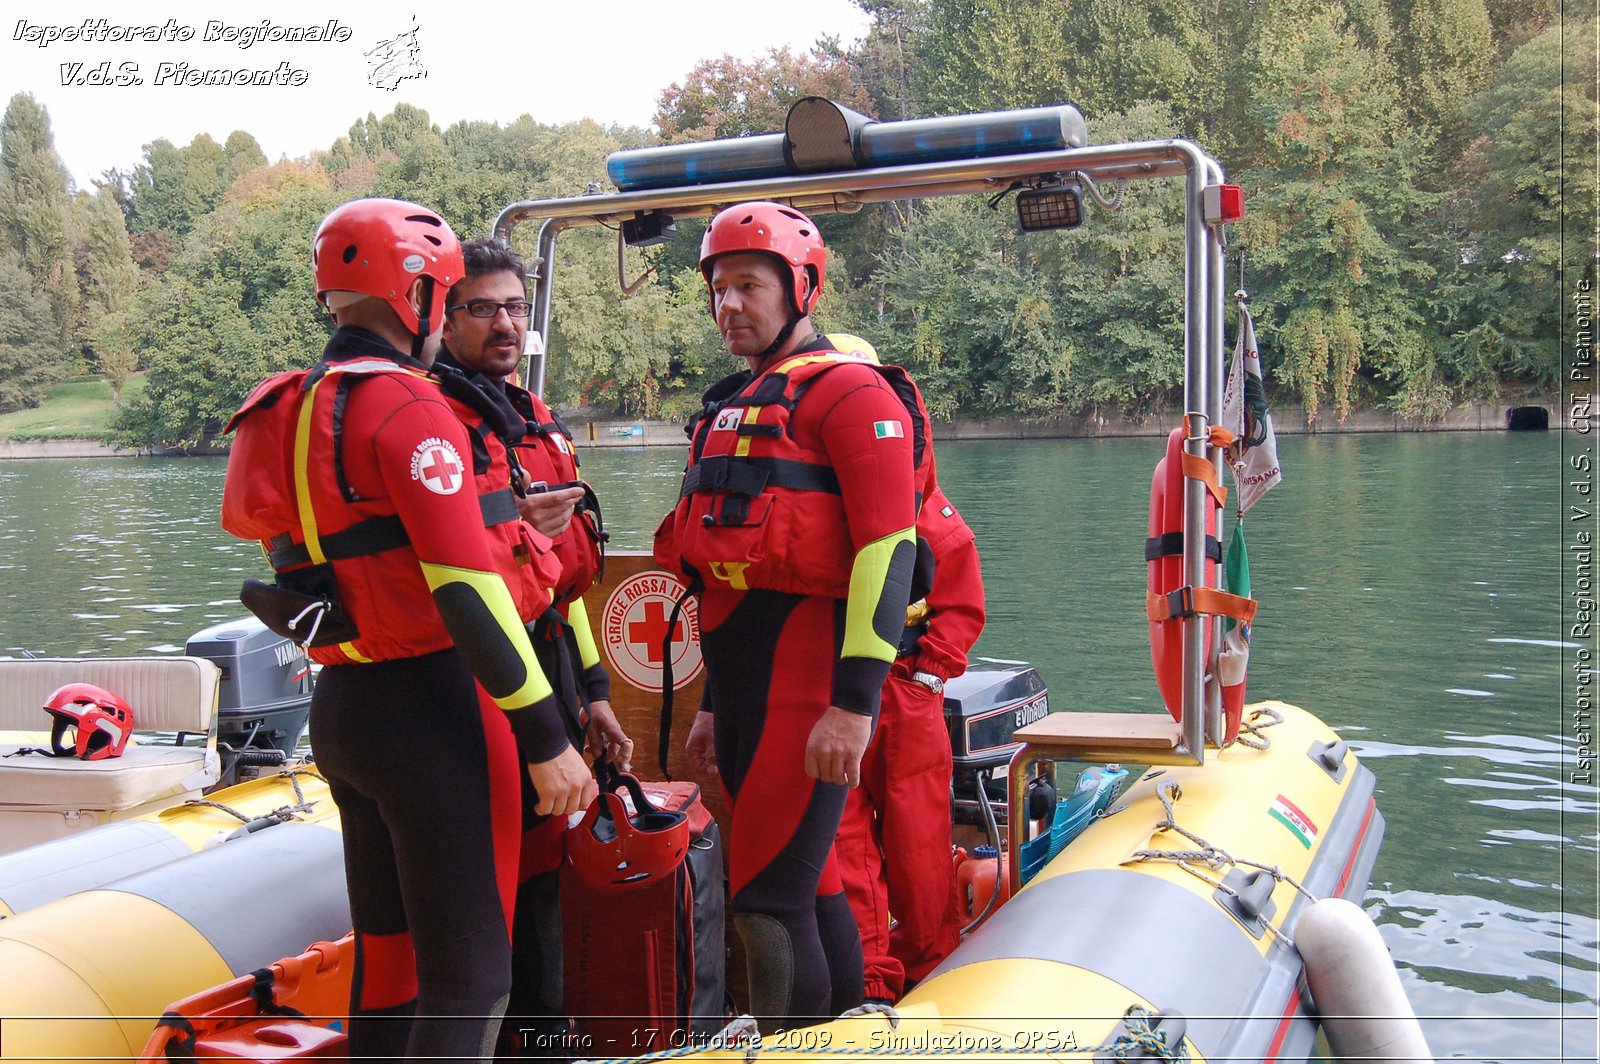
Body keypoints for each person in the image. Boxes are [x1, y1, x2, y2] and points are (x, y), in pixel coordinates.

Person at [221, 197, 595, 1061]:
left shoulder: (285, 407)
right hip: (437, 710)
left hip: (346, 710)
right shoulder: (408, 404)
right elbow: (467, 591)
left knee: (389, 964)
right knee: (472, 978)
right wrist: (545, 734)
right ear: (417, 293)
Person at [654, 202, 922, 1025]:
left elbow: (891, 550)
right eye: (717, 288)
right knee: (812, 887)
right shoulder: (731, 406)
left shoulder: (849, 392)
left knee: (769, 902)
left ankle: (788, 1047)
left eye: (748, 285)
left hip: (812, 692)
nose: (728, 304)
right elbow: (720, 576)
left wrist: (854, 704)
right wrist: (709, 703)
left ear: (801, 287)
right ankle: (845, 1038)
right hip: (745, 697)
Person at [436, 236, 632, 1031]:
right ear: (443, 319)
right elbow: (463, 572)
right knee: (492, 888)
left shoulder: (535, 420)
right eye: (481, 308)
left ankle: (544, 1036)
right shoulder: (432, 420)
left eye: (515, 307)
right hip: (477, 679)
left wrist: (594, 692)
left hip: (548, 671)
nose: (505, 324)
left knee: (547, 876)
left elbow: (558, 583)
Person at [823, 335, 986, 1005]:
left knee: (920, 845)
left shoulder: (928, 509)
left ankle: (934, 972)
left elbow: (962, 602)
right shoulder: (810, 502)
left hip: (904, 697)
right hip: (828, 696)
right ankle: (870, 988)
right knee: (846, 846)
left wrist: (927, 674)